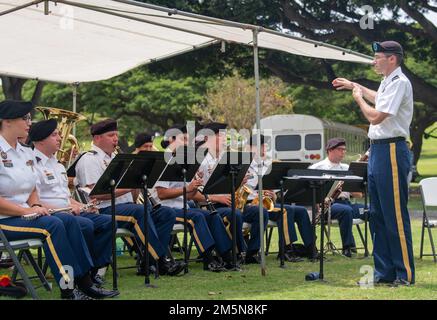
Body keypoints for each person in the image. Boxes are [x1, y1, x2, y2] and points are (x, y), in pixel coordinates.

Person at [0, 100, 116, 299]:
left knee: (70, 221)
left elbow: (31, 188)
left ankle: (85, 282)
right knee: (52, 226)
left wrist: (35, 203)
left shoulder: (24, 152)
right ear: (7, 121)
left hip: (27, 214)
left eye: (29, 117)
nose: (29, 122)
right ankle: (68, 289)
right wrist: (26, 210)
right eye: (24, 118)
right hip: (6, 219)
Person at [332, 40, 415, 285]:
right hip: (378, 151)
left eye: (378, 57)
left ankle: (404, 274)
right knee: (377, 214)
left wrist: (358, 98)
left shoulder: (400, 82)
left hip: (391, 149)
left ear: (392, 59)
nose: (373, 61)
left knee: (394, 214)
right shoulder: (388, 82)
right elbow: (378, 97)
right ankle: (384, 272)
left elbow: (375, 117)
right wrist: (353, 86)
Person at [74, 119, 185, 276]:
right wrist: (129, 187)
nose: (115, 139)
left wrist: (137, 181)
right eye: (111, 135)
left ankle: (146, 261)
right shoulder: (89, 159)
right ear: (97, 138)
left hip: (126, 208)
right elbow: (96, 194)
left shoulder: (116, 157)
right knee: (138, 212)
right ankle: (159, 260)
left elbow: (132, 197)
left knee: (166, 213)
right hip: (103, 209)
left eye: (116, 135)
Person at [28, 119, 114, 287]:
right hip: (53, 213)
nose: (60, 138)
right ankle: (83, 276)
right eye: (54, 135)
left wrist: (83, 206)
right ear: (40, 140)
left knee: (106, 221)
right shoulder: (33, 164)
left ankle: (95, 268)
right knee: (85, 225)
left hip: (68, 210)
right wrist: (67, 208)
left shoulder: (58, 164)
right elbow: (35, 200)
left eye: (59, 134)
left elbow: (65, 196)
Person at [154, 124, 231, 271]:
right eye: (183, 140)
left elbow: (189, 195)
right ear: (172, 140)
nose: (187, 144)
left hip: (182, 207)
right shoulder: (165, 161)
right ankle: (208, 259)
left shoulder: (185, 162)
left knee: (212, 215)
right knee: (197, 217)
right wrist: (187, 189)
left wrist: (195, 186)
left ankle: (227, 257)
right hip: (165, 210)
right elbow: (162, 194)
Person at [245, 134, 316, 261]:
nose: (264, 148)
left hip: (266, 203)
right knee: (285, 210)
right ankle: (286, 249)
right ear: (250, 147)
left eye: (264, 145)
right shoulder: (243, 165)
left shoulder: (266, 165)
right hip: (249, 203)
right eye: (260, 145)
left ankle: (311, 248)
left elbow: (277, 194)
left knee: (301, 211)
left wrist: (273, 196)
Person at [191, 123, 248, 265]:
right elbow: (193, 194)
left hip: (223, 203)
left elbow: (228, 188)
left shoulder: (222, 159)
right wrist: (217, 198)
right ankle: (239, 252)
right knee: (234, 215)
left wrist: (239, 181)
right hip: (207, 205)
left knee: (237, 213)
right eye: (220, 136)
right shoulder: (199, 159)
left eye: (224, 135)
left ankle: (240, 252)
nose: (224, 139)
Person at [309, 138, 365, 257]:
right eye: (340, 149)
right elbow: (309, 191)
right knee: (346, 211)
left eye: (344, 150)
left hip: (347, 203)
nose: (343, 152)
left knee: (371, 210)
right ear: (330, 150)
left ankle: (379, 248)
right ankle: (348, 247)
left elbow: (358, 194)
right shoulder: (317, 168)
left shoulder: (346, 168)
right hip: (328, 206)